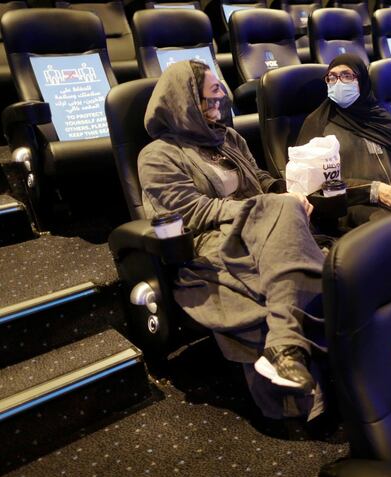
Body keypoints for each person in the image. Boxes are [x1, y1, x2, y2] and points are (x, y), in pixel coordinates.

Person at [137, 60, 326, 421]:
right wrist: (262, 207)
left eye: (219, 97)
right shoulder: (158, 154)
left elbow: (259, 179)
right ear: (183, 102)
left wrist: (288, 190)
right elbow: (189, 213)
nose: (218, 105)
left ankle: (287, 354)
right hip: (207, 242)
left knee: (325, 261)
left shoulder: (228, 138)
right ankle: (291, 385)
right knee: (292, 257)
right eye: (208, 100)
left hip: (260, 229)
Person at [297, 53, 391, 226]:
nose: (338, 82)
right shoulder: (317, 124)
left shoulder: (381, 118)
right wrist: (373, 190)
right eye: (332, 77)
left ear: (362, 81)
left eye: (346, 75)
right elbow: (314, 183)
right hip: (353, 210)